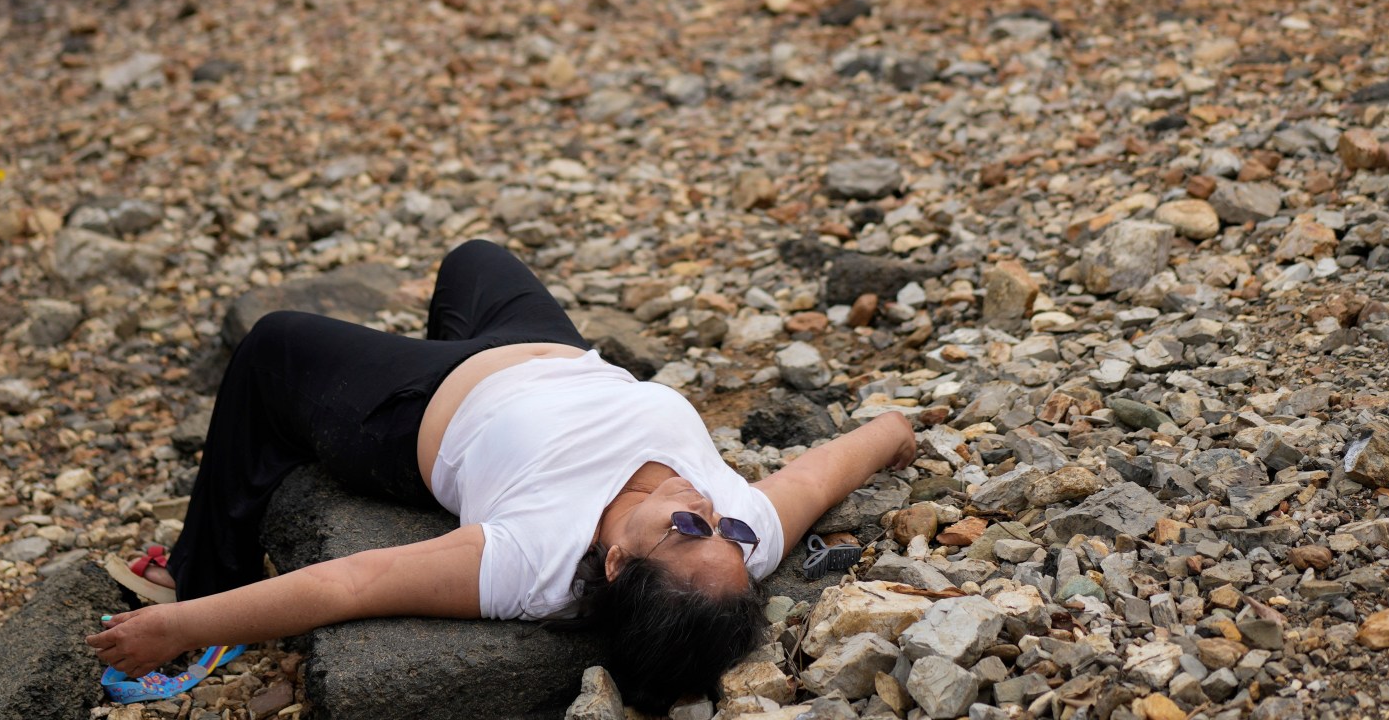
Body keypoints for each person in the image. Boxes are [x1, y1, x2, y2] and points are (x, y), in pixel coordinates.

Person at [86, 238, 917, 712]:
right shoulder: (739, 540)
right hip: (553, 349)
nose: (711, 509)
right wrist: (900, 427)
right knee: (474, 259)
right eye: (726, 530)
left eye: (690, 528)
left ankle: (202, 565)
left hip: (413, 411)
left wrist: (186, 623)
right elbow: (825, 471)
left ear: (620, 563)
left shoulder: (535, 558)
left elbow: (353, 581)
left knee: (270, 344)